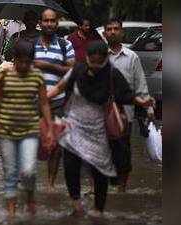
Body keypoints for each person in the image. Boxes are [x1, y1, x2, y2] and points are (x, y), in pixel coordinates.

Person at [47, 41, 153, 217]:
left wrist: (143, 102)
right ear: (87, 59)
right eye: (92, 64)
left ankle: (98, 211)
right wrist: (39, 98)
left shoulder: (112, 75)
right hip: (74, 127)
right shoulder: (77, 71)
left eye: (99, 64)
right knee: (70, 165)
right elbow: (59, 88)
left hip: (99, 131)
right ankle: (76, 204)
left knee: (100, 171)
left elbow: (126, 95)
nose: (95, 68)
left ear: (105, 60)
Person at [0, 40, 53, 219]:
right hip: (6, 132)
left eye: (28, 62)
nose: (24, 66)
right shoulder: (3, 76)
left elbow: (44, 104)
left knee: (28, 171)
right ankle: (11, 214)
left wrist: (49, 128)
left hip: (30, 131)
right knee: (10, 173)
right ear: (14, 59)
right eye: (21, 61)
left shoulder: (37, 77)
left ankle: (30, 196)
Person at [102, 18, 155, 192]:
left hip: (125, 114)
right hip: (100, 113)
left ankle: (121, 190)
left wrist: (148, 108)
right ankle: (100, 187)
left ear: (121, 32)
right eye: (108, 29)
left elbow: (140, 85)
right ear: (104, 33)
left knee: (123, 152)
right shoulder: (99, 56)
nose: (112, 32)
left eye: (115, 29)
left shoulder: (132, 57)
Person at [34, 8, 75, 191]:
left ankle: (50, 183)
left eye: (52, 21)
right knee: (30, 141)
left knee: (56, 145)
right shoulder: (31, 45)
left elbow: (72, 71)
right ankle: (29, 181)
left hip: (58, 100)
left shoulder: (65, 45)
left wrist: (48, 66)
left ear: (57, 23)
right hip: (32, 101)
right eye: (46, 20)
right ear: (40, 23)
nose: (49, 24)